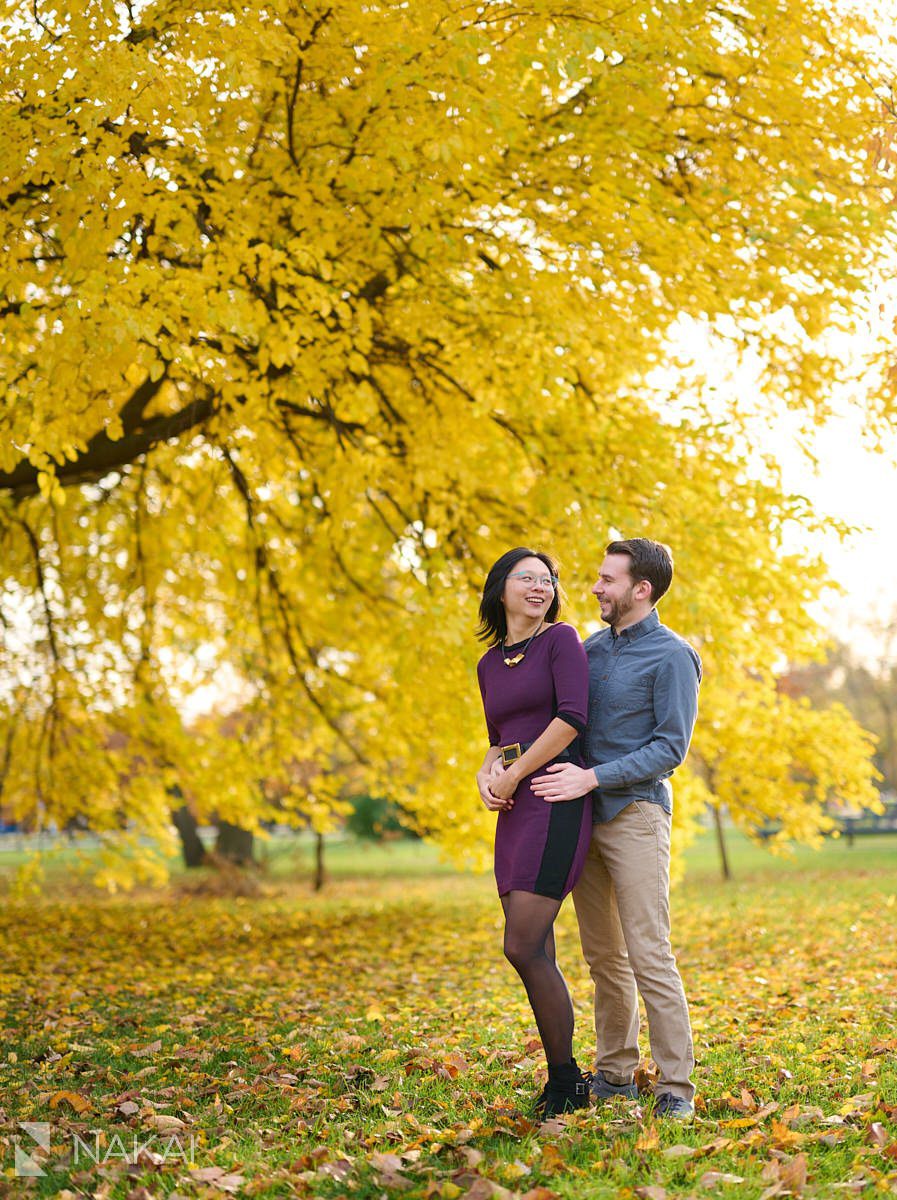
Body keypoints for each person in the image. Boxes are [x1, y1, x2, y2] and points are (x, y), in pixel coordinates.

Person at [531, 539, 701, 1120]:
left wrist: (593, 778)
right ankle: (614, 1074)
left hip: (635, 815)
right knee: (604, 958)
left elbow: (670, 748)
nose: (596, 587)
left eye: (607, 579)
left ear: (640, 589)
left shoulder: (673, 655)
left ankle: (676, 1086)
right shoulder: (587, 650)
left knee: (649, 952)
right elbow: (560, 724)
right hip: (582, 820)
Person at [475, 547, 593, 1116]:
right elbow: (500, 734)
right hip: (515, 807)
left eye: (548, 579)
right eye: (527, 577)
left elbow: (572, 718)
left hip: (555, 796)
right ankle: (563, 1080)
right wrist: (487, 770)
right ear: (501, 588)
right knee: (536, 946)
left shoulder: (561, 640)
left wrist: (518, 772)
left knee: (520, 944)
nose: (540, 586)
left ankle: (569, 1078)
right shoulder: (489, 663)